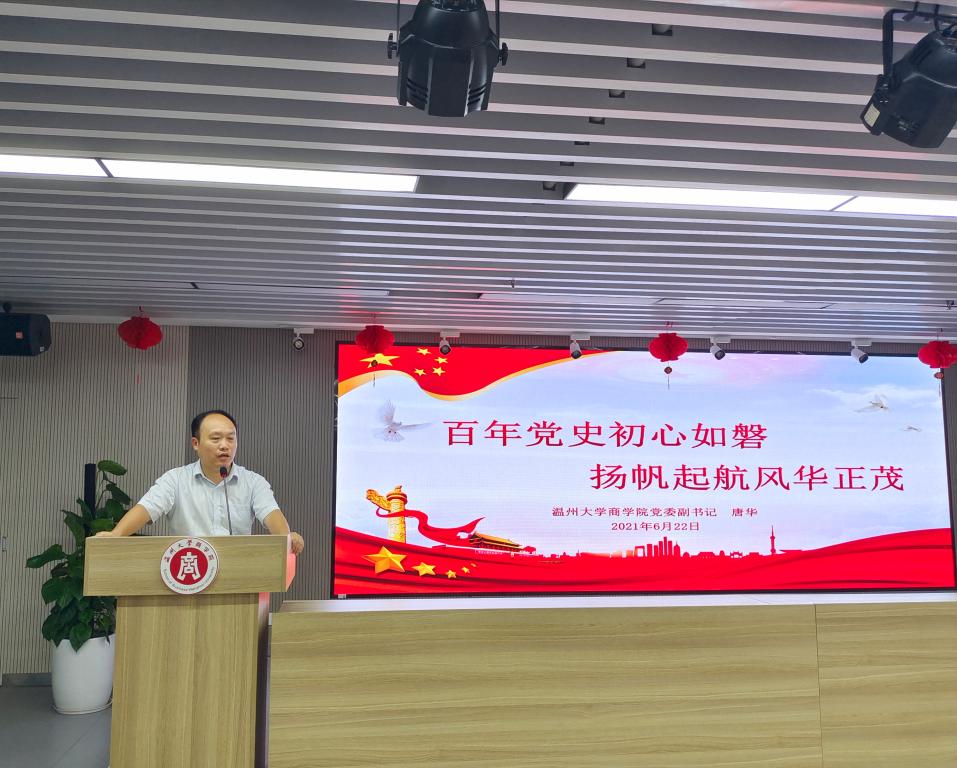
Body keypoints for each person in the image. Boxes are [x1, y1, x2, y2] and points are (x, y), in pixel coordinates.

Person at [95, 410, 305, 554]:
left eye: (231, 438)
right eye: (216, 438)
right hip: (188, 574)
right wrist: (116, 534)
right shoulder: (175, 479)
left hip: (237, 575)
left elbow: (271, 514)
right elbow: (147, 508)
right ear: (196, 443)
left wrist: (286, 538)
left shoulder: (253, 482)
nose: (224, 446)